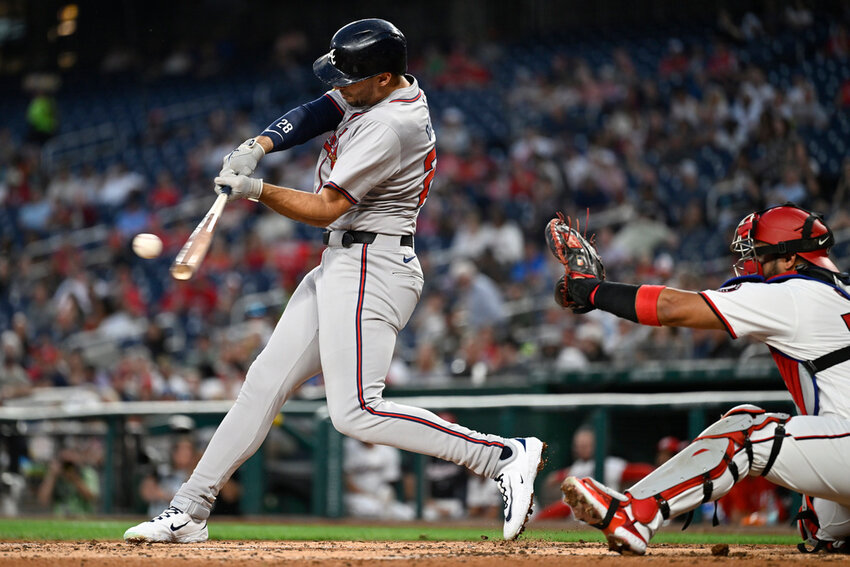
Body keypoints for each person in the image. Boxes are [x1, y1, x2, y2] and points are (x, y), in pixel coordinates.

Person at [123, 18, 544, 544]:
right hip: (346, 262)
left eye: (350, 77)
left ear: (386, 78)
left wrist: (255, 188)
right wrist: (261, 143)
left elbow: (325, 208)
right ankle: (190, 509)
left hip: (373, 263)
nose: (339, 85)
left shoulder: (391, 125)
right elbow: (322, 110)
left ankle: (501, 455)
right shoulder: (382, 91)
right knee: (262, 385)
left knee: (356, 412)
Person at [555, 203, 850, 554]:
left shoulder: (795, 293)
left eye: (760, 254)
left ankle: (636, 513)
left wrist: (593, 290)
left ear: (789, 260)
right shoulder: (837, 292)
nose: (752, 263)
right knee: (821, 524)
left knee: (746, 430)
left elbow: (672, 308)